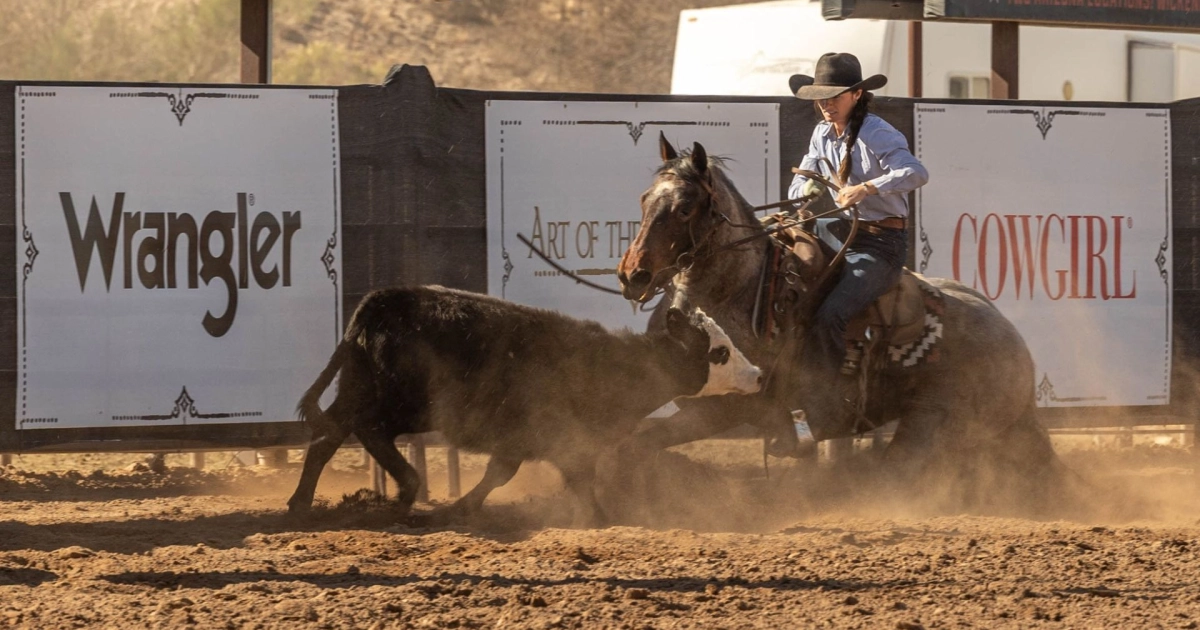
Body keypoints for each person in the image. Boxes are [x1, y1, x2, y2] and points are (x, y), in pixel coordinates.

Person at [786, 52, 929, 439]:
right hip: (840, 229)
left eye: (834, 96)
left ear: (857, 94)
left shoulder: (878, 133)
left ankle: (826, 406)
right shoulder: (821, 133)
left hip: (882, 242)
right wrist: (806, 190)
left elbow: (916, 173)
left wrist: (867, 187)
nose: (826, 104)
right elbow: (800, 181)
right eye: (820, 97)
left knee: (831, 314)